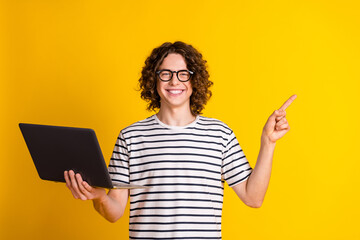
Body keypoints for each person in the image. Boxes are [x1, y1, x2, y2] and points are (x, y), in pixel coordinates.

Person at [64, 41, 296, 239]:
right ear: (153, 80)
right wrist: (99, 197)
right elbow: (114, 212)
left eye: (183, 74)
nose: (174, 82)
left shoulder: (220, 134)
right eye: (166, 74)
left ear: (195, 81)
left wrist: (268, 142)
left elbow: (253, 197)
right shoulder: (131, 137)